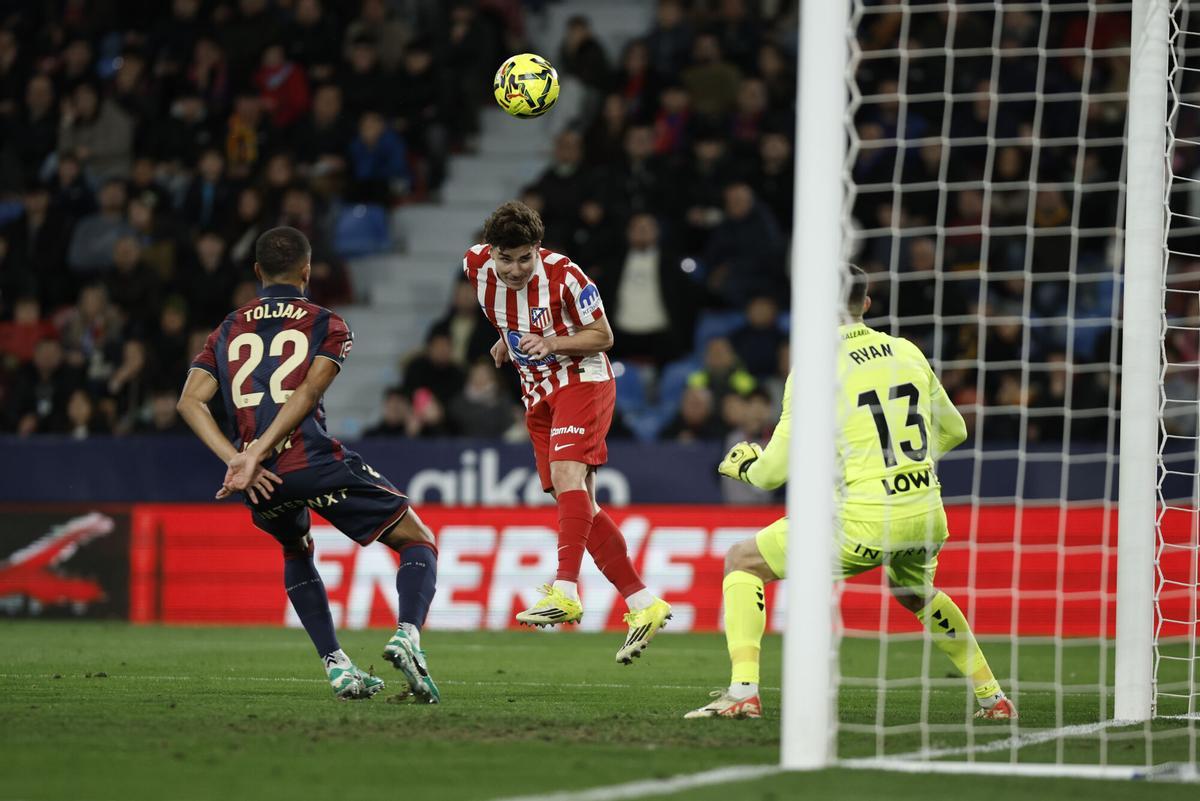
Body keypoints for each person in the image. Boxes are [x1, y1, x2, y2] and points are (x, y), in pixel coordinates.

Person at [686, 266, 1016, 721]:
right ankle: (993, 698)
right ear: (866, 303)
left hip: (865, 518)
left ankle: (743, 690)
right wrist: (902, 468)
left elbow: (770, 475)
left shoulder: (818, 366)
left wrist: (742, 464)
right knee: (916, 593)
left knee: (743, 561)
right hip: (927, 511)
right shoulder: (907, 351)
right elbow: (955, 429)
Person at [177, 226, 440, 703]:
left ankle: (336, 665)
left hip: (262, 484)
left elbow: (189, 403)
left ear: (257, 272)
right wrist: (253, 455)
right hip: (310, 460)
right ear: (307, 270)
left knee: (297, 551)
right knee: (418, 540)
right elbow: (308, 393)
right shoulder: (327, 322)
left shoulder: (227, 328)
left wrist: (239, 458)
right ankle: (407, 635)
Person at [464, 201, 671, 664]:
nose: (514, 269)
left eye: (524, 258)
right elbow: (507, 310)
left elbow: (603, 336)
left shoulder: (567, 276)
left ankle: (565, 589)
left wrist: (553, 342)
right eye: (506, 259)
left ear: (538, 249)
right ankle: (643, 602)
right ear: (490, 252)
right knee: (581, 504)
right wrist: (505, 337)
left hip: (584, 379)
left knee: (566, 475)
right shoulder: (474, 265)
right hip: (535, 392)